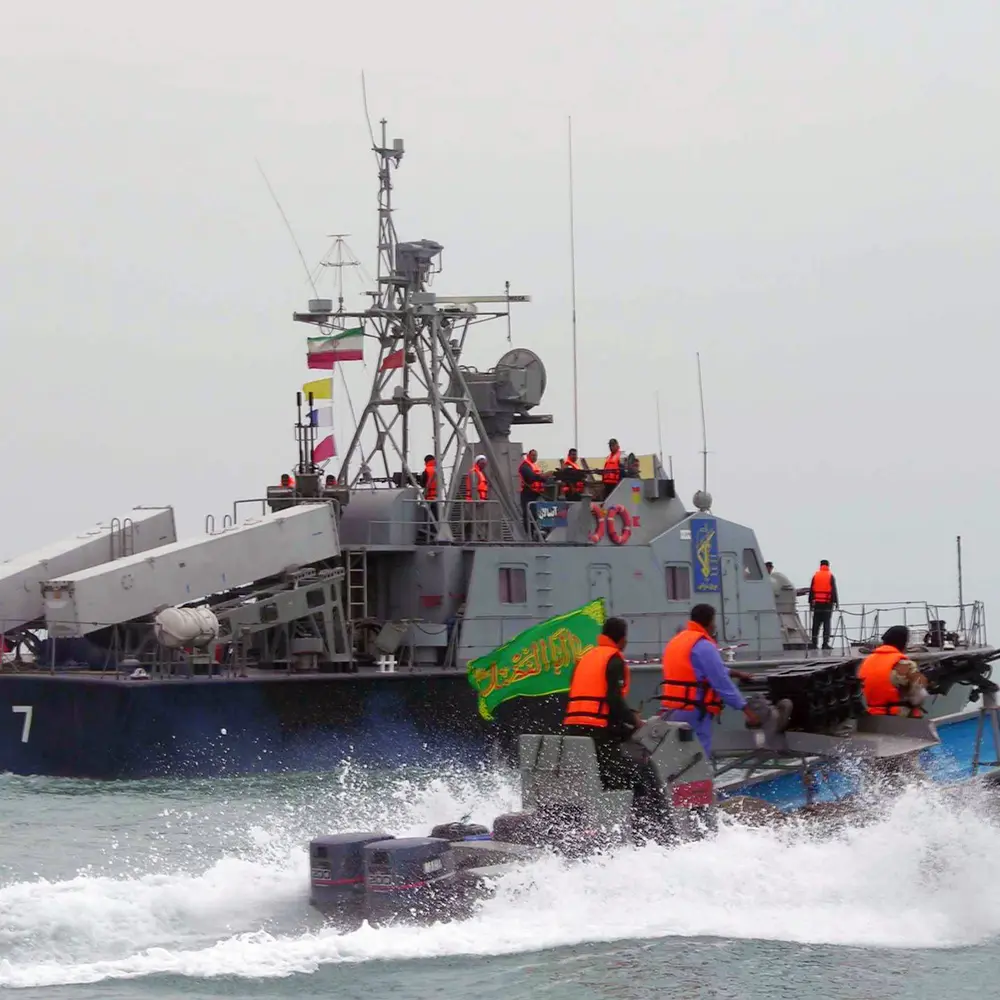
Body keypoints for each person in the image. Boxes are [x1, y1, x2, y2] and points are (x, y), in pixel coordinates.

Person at [659, 604, 760, 755]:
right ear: (709, 622)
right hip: (694, 710)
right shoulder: (704, 646)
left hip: (672, 708)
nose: (715, 625)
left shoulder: (677, 641)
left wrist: (736, 673)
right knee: (699, 754)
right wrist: (746, 709)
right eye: (714, 621)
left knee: (678, 754)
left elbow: (697, 669)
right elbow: (721, 683)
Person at [563, 616, 644, 787]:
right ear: (622, 639)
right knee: (615, 775)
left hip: (574, 724)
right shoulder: (613, 659)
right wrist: (634, 719)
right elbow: (613, 698)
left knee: (590, 773)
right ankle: (622, 798)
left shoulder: (586, 657)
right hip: (598, 727)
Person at [859, 626, 928, 717]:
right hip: (896, 717)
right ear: (903, 643)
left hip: (871, 714)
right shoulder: (905, 664)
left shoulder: (867, 661)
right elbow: (919, 696)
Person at [809, 560, 839, 651]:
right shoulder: (830, 576)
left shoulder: (815, 576)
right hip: (827, 604)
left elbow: (811, 590)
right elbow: (833, 590)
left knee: (816, 624)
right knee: (826, 624)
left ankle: (814, 643)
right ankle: (825, 644)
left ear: (820, 565)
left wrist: (810, 603)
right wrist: (836, 602)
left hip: (817, 603)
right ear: (828, 566)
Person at [518, 449, 547, 533]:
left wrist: (546, 477)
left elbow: (541, 478)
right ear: (528, 456)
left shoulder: (535, 466)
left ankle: (536, 530)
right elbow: (531, 477)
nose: (535, 457)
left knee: (538, 512)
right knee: (529, 513)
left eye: (536, 455)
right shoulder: (524, 466)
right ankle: (529, 532)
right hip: (528, 493)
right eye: (533, 455)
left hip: (536, 493)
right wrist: (542, 476)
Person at [465, 455, 489, 540]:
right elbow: (474, 487)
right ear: (477, 463)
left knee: (480, 519)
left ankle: (480, 535)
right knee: (475, 519)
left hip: (481, 500)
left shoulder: (479, 472)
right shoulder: (474, 472)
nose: (484, 465)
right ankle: (475, 536)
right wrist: (477, 499)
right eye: (482, 463)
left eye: (484, 463)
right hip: (474, 501)